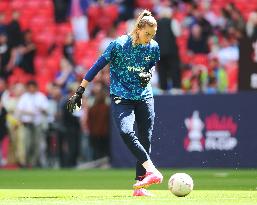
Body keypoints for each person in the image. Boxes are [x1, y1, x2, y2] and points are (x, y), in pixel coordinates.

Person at [67, 10, 163, 196]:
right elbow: (96, 67)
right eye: (147, 34)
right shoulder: (119, 44)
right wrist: (80, 90)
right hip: (122, 96)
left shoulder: (153, 47)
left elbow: (151, 67)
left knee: (146, 138)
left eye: (153, 35)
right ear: (138, 29)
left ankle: (140, 186)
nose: (149, 38)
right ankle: (152, 169)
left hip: (145, 96)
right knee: (126, 131)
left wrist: (148, 75)